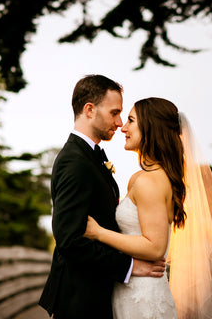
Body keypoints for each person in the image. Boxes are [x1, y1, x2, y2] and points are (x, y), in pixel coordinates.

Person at [83, 97, 212, 319]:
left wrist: (98, 233)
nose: (123, 127)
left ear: (150, 128)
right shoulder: (156, 177)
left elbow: (155, 247)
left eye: (131, 120)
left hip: (142, 295)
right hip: (137, 287)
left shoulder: (149, 181)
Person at [39, 75, 166, 319]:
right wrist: (130, 266)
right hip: (81, 299)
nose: (119, 122)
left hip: (97, 292)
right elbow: (69, 240)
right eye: (114, 112)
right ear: (89, 110)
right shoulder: (74, 161)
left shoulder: (91, 156)